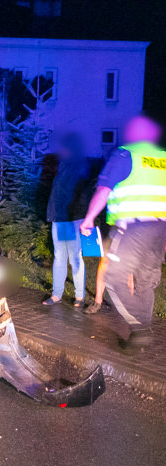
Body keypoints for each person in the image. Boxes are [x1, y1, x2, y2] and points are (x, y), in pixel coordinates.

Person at [80, 115, 166, 352]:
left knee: (113, 278)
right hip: (159, 230)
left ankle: (140, 330)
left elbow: (104, 189)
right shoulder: (163, 159)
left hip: (132, 228)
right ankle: (139, 340)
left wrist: (88, 218)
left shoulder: (125, 154)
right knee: (146, 284)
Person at [43, 132, 89, 307]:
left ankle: (79, 296)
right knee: (59, 257)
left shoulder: (81, 164)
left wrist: (84, 218)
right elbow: (57, 192)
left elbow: (83, 193)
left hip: (73, 219)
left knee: (75, 258)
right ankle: (56, 294)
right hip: (58, 218)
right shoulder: (63, 164)